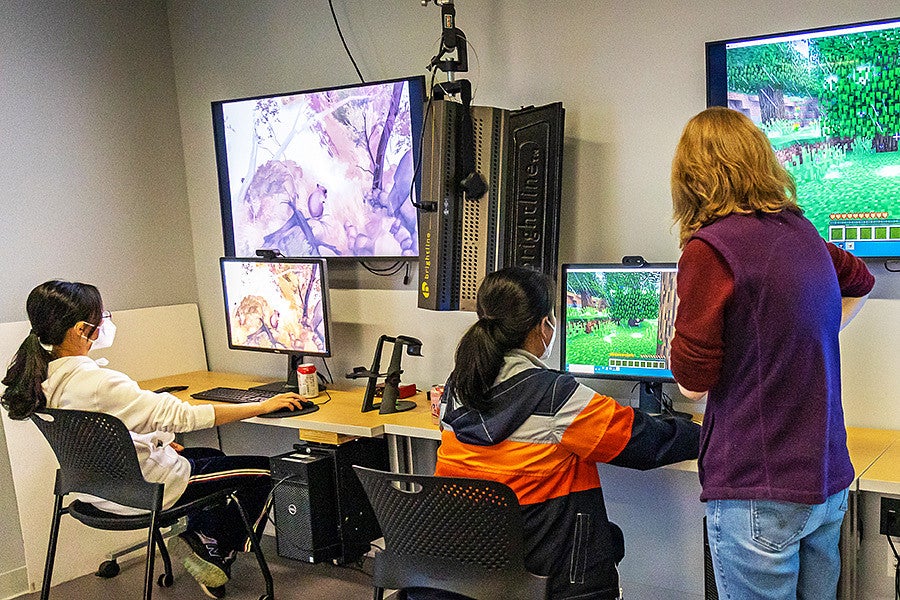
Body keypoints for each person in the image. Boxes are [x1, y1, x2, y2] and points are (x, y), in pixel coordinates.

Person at [669, 106, 875, 600]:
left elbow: (693, 382)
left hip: (757, 488)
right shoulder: (800, 232)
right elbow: (861, 282)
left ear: (691, 177)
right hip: (826, 482)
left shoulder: (709, 249)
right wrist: (807, 335)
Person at [1, 280, 309, 599]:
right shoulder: (96, 382)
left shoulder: (44, 378)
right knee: (265, 472)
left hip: (96, 492)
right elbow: (183, 416)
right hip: (147, 491)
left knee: (206, 453)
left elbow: (102, 432)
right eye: (101, 316)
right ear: (82, 329)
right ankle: (213, 550)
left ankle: (201, 537)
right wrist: (259, 406)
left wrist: (157, 441)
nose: (106, 322)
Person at [413, 266, 700, 600]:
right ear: (542, 326)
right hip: (548, 572)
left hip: (468, 565)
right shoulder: (554, 396)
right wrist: (705, 434)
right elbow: (641, 441)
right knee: (611, 537)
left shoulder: (456, 387)